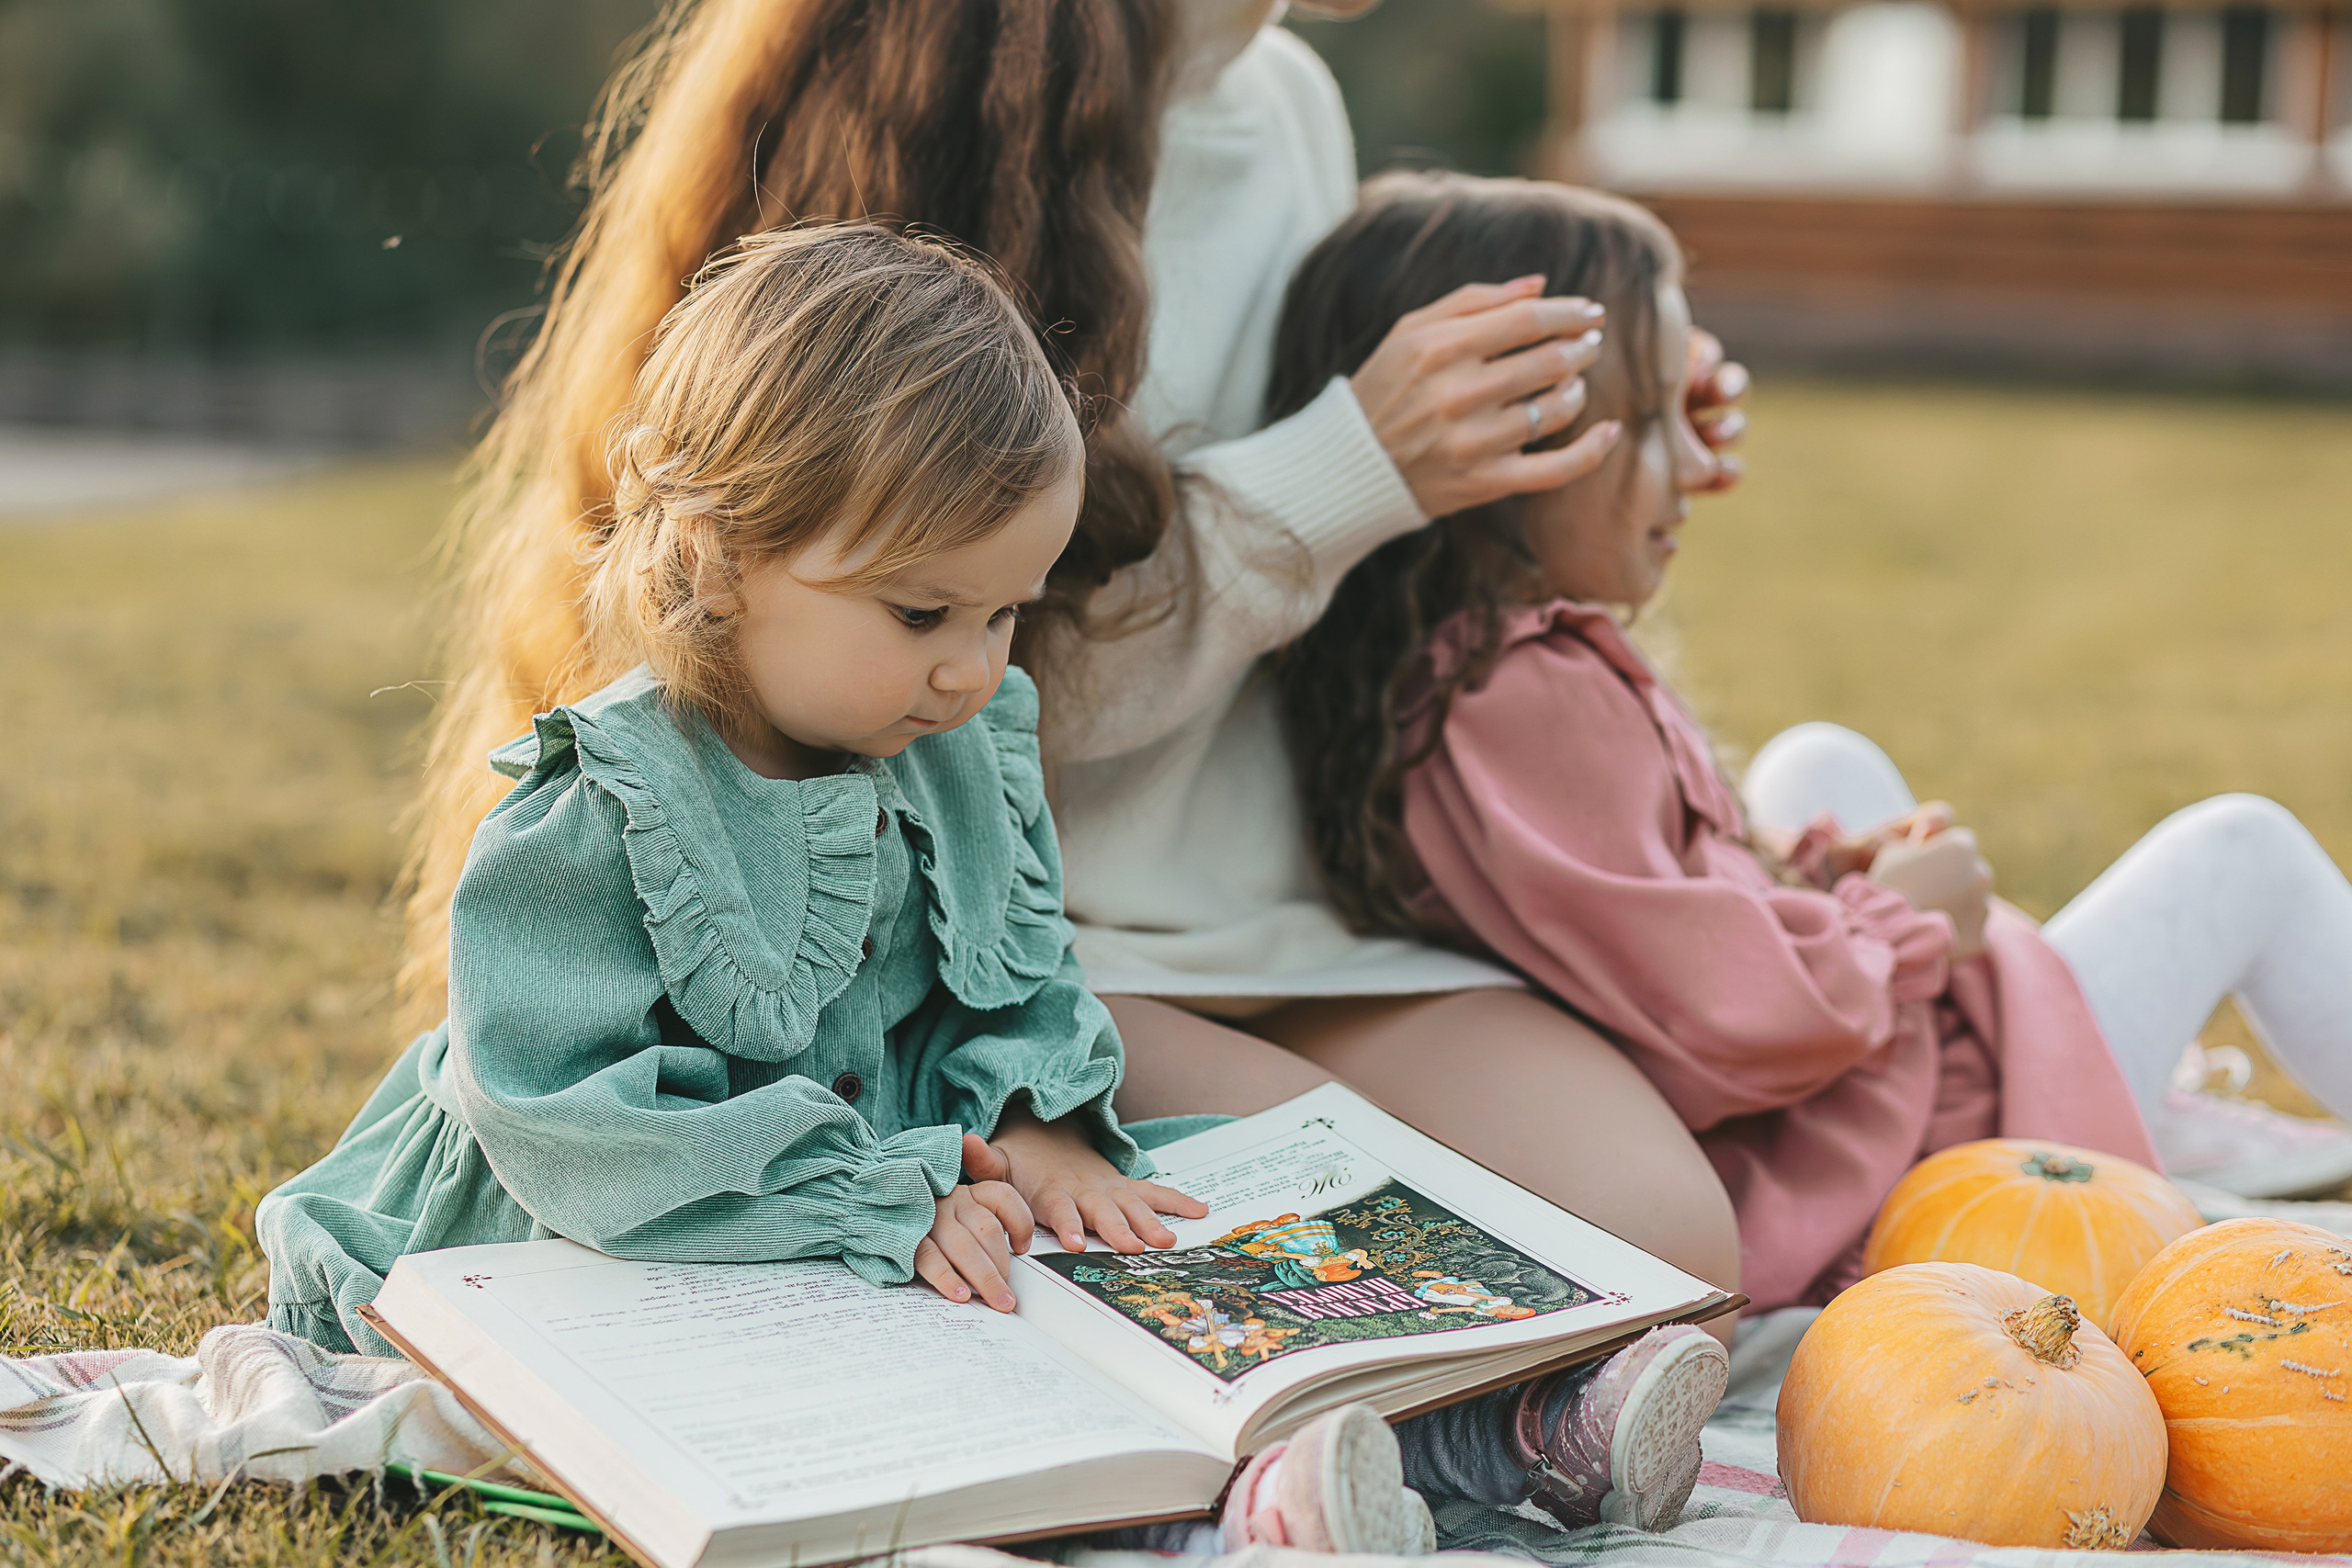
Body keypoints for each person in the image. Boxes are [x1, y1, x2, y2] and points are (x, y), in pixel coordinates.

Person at [265, 224, 1725, 1550]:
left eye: (1005, 606)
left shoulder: (955, 732)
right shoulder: (602, 810)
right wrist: (868, 1199)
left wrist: (1038, 1110)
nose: (975, 662)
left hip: (910, 1198)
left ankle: (1512, 1421)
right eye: (923, 612)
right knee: (925, 1409)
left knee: (1161, 1217)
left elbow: (1014, 976)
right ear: (717, 557)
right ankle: (1239, 1519)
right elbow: (566, 1116)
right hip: (631, 1224)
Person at [396, 0, 1750, 1333]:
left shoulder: (1289, 105)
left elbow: (1096, 618)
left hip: (1278, 895)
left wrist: (1607, 423)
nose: (967, 653)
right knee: (1397, 1249)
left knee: (1665, 1244)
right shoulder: (935, 86)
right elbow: (937, 690)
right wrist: (1341, 471)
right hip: (1023, 923)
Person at [1272, 170, 2352, 1315]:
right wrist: (1905, 922)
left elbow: (1660, 920)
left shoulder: (1443, 672)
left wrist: (1825, 879)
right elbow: (1728, 1017)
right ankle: (2138, 1108)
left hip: (1860, 1093)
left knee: (1816, 760)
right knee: (2245, 852)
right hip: (1924, 1147)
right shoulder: (1529, 698)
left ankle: (2157, 1098)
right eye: (1648, 423)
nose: (1697, 465)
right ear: (1510, 447)